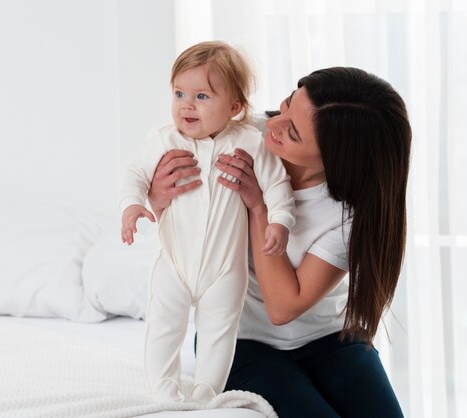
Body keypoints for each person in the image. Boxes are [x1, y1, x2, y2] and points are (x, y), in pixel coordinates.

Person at [147, 66, 410, 417]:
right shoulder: (241, 136)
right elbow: (177, 204)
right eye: (286, 105)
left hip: (329, 339)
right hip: (241, 342)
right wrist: (157, 194)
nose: (273, 124)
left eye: (293, 133)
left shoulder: (349, 212)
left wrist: (260, 207)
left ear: (335, 160)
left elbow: (284, 306)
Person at [119, 41, 295, 403]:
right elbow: (135, 175)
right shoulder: (163, 139)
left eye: (202, 96)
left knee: (219, 331)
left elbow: (277, 184)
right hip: (175, 263)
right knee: (164, 326)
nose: (186, 104)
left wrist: (280, 221)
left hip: (224, 270)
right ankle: (163, 390)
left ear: (234, 107)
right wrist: (132, 205)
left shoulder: (249, 142)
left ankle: (204, 392)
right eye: (180, 92)